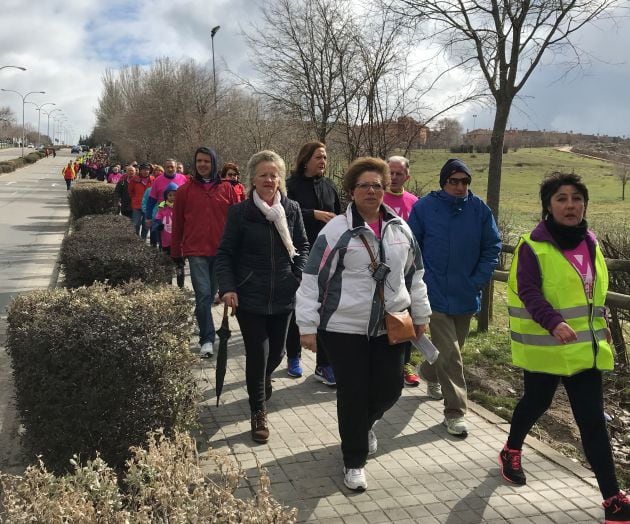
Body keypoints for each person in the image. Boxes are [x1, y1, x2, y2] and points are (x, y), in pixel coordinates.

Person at [500, 172, 629, 523]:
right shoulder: (532, 245)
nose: (570, 205)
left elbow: (591, 292)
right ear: (548, 206)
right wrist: (553, 322)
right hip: (547, 347)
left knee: (592, 424)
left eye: (576, 198)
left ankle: (613, 501)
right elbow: (528, 291)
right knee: (536, 403)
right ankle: (512, 448)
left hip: (585, 350)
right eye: (561, 198)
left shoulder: (591, 241)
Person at [296, 157, 431, 492]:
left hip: (391, 325)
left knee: (391, 389)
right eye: (364, 185)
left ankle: (363, 426)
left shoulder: (400, 228)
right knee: (353, 394)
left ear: (385, 190)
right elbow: (312, 278)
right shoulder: (336, 231)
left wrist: (421, 315)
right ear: (351, 191)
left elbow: (415, 275)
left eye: (378, 185)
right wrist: (307, 325)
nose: (372, 191)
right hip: (344, 328)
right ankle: (353, 460)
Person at [216, 150, 309, 444]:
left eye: (274, 174)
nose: (269, 180)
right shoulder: (240, 213)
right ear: (253, 179)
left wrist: (298, 274)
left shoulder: (292, 209)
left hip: (284, 294)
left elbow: (303, 246)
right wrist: (229, 287)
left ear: (280, 179)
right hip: (249, 296)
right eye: (263, 175)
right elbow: (225, 254)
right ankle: (259, 412)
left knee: (278, 353)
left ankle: (262, 380)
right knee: (258, 355)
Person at [407, 158, 501, 437]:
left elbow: (492, 246)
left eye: (464, 181)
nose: (460, 186)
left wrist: (477, 280)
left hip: (465, 292)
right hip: (432, 293)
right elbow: (412, 248)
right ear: (443, 182)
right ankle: (455, 412)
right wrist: (417, 285)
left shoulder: (479, 210)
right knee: (451, 353)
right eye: (454, 181)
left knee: (451, 350)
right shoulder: (425, 207)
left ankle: (428, 370)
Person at [170, 146, 239, 358]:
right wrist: (176, 253)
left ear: (214, 163)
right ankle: (207, 339)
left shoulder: (227, 190)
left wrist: (239, 251)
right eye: (199, 161)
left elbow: (237, 222)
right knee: (202, 295)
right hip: (196, 250)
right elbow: (178, 224)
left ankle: (201, 319)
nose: (202, 164)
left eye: (206, 161)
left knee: (210, 297)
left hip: (221, 253)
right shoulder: (184, 191)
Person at [286, 141, 340, 383]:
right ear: (305, 159)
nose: (323, 161)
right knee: (299, 308)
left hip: (328, 256)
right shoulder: (291, 186)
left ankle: (324, 364)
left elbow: (340, 216)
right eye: (318, 157)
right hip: (299, 255)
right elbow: (286, 215)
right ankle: (294, 356)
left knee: (325, 310)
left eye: (325, 157)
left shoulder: (330, 186)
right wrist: (313, 214)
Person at [384, 155, 420, 387]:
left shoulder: (415, 202)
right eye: (391, 173)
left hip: (407, 270)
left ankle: (405, 363)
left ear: (407, 176)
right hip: (379, 270)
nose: (394, 178)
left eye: (399, 173)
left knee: (406, 316)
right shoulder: (375, 195)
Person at [155, 183, 185, 288]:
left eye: (175, 195)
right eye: (170, 195)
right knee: (167, 264)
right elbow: (158, 217)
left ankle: (180, 286)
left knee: (179, 265)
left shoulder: (182, 206)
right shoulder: (162, 206)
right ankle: (168, 286)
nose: (173, 197)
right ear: (166, 196)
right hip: (166, 241)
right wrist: (158, 225)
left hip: (179, 242)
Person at [128, 163, 154, 240]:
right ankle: (136, 239)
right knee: (136, 224)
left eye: (147, 170)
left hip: (148, 206)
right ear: (140, 170)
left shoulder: (153, 179)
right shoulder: (134, 179)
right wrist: (134, 199)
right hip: (137, 205)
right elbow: (130, 191)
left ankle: (143, 240)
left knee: (146, 225)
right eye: (144, 170)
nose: (146, 171)